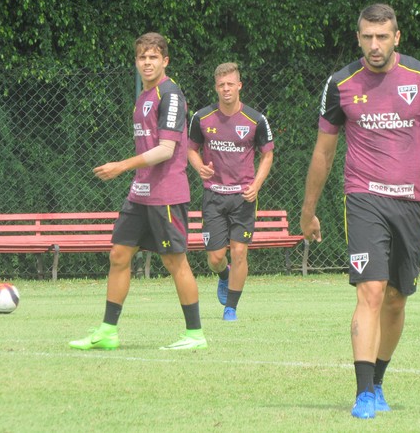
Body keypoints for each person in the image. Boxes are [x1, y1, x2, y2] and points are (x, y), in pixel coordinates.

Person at [300, 4, 420, 419]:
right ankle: (363, 392)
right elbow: (324, 151)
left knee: (395, 299)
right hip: (363, 196)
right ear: (358, 38)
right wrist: (308, 210)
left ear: (397, 37)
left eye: (382, 36)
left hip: (412, 200)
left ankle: (380, 380)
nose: (375, 45)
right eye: (367, 37)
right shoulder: (340, 84)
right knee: (370, 291)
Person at [69, 32, 207, 351]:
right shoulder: (143, 96)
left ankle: (195, 334)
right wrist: (132, 174)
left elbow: (166, 149)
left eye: (153, 57)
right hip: (140, 192)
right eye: (142, 57)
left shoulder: (170, 95)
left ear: (165, 61)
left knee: (175, 262)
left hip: (166, 194)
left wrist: (121, 166)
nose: (147, 62)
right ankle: (107, 332)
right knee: (119, 254)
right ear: (136, 61)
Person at [187, 62, 274, 321]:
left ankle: (231, 309)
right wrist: (199, 166)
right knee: (215, 258)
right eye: (221, 85)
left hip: (243, 197)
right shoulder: (201, 118)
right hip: (213, 195)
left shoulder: (255, 119)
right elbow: (191, 149)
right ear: (216, 87)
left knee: (239, 251)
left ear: (239, 86)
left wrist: (256, 185)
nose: (226, 89)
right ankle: (223, 275)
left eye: (230, 84)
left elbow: (267, 155)